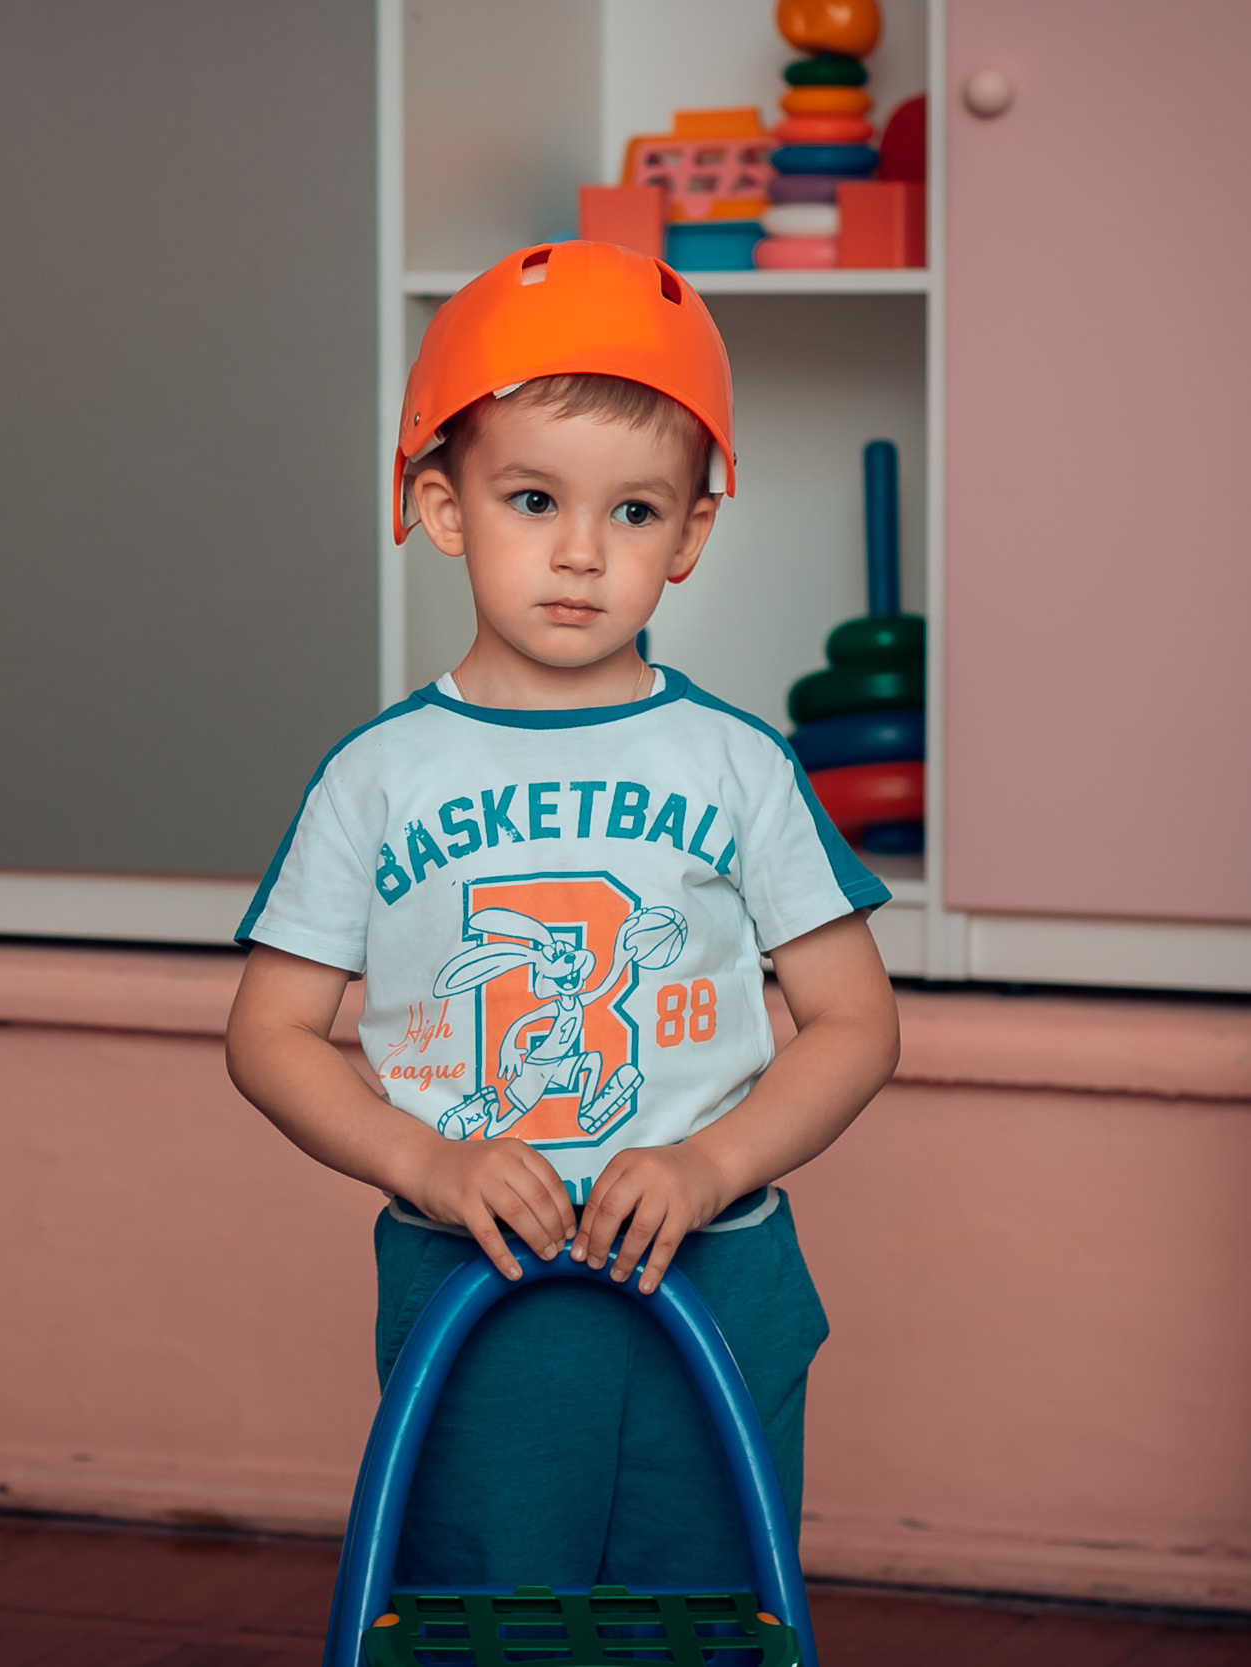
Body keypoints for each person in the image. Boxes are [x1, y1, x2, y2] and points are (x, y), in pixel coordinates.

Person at [224, 241, 899, 1588]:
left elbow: (854, 1022)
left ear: (693, 533)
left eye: (637, 514)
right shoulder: (377, 776)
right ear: (442, 503)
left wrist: (712, 1167)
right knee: (484, 1609)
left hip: (720, 1292)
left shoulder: (737, 763)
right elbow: (274, 1036)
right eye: (534, 498)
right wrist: (427, 1164)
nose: (584, 554)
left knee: (706, 1613)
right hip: (477, 1300)